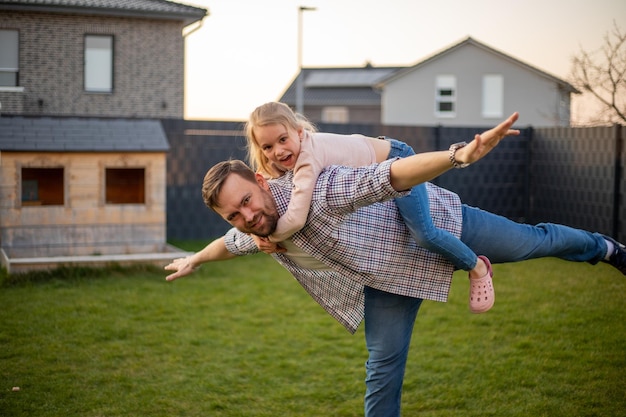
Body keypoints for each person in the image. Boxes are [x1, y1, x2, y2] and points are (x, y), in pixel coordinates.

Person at [165, 113, 626, 417]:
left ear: (261, 182)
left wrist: (457, 156)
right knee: (382, 368)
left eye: (246, 202)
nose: (247, 217)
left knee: (531, 243)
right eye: (235, 214)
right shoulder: (256, 229)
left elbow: (391, 174)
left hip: (445, 224)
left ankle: (604, 248)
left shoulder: (319, 190)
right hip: (389, 277)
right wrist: (196, 259)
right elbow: (229, 243)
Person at [245, 101, 494, 313]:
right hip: (375, 171)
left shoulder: (307, 158)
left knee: (423, 234)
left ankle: (477, 267)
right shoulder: (289, 158)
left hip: (397, 159)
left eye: (282, 139)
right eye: (267, 147)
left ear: (299, 132)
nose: (277, 151)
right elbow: (257, 190)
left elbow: (297, 218)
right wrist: (255, 235)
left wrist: (270, 235)